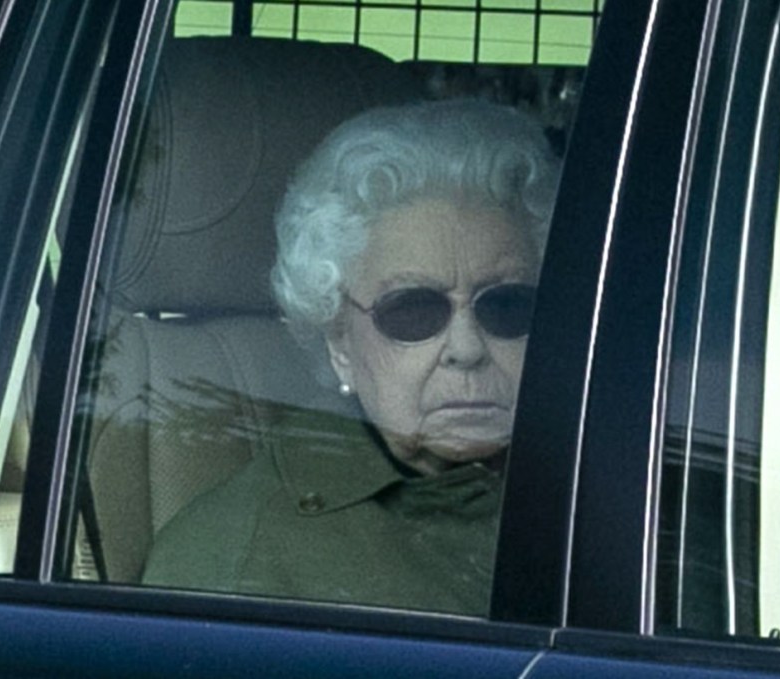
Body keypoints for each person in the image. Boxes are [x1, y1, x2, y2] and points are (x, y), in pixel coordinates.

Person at [143, 98, 559, 615]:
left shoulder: (625, 484)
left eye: (506, 306)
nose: (467, 348)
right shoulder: (236, 568)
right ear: (340, 342)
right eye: (412, 312)